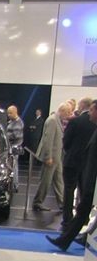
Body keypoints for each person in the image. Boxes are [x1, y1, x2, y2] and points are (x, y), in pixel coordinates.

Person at [47, 100, 97, 251]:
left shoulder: (77, 123)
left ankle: (67, 239)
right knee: (83, 209)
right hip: (88, 176)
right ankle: (70, 239)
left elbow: (67, 143)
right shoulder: (93, 128)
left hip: (90, 179)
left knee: (81, 207)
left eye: (92, 110)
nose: (89, 113)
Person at [61, 97, 96, 227]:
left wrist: (71, 152)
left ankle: (67, 219)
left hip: (72, 161)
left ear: (81, 106)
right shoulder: (93, 124)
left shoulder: (75, 121)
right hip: (88, 164)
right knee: (84, 192)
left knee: (69, 191)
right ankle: (83, 219)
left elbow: (66, 142)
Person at [32, 103, 71, 211]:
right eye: (68, 112)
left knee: (59, 180)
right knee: (46, 181)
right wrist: (48, 156)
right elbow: (48, 140)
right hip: (51, 157)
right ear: (62, 110)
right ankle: (37, 202)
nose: (69, 114)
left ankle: (62, 203)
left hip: (56, 156)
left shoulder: (57, 120)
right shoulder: (52, 120)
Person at [5, 105, 24, 191]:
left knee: (14, 167)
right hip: (10, 148)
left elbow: (16, 136)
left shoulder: (18, 123)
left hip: (14, 148)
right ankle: (12, 184)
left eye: (10, 113)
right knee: (11, 167)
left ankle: (15, 185)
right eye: (8, 113)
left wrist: (6, 137)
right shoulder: (11, 122)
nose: (8, 115)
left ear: (15, 112)